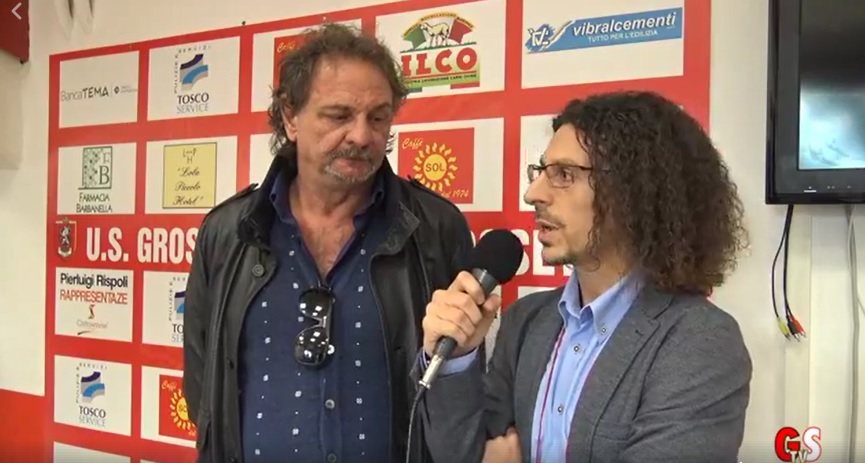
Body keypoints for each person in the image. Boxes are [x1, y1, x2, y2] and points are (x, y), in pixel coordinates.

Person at [182, 23, 475, 463]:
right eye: (339, 116)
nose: (361, 136)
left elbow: (461, 393)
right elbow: (204, 391)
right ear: (290, 117)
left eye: (378, 117)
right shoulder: (227, 233)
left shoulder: (436, 229)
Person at [416, 91, 753, 463]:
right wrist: (457, 358)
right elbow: (461, 455)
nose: (532, 194)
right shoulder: (526, 320)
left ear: (633, 191)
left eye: (564, 175)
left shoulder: (699, 341)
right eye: (541, 172)